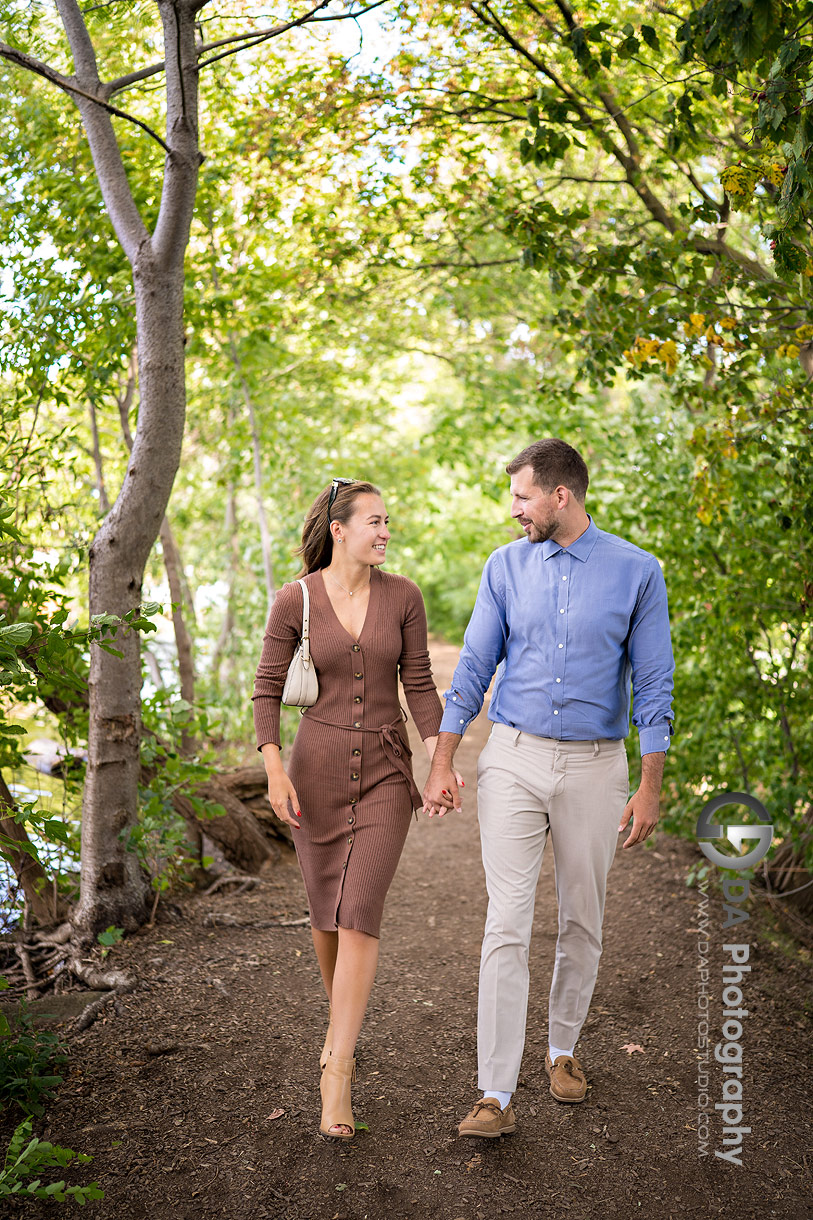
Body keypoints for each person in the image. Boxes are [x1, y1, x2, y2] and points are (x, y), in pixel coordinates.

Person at [422, 439, 675, 1138]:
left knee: (580, 916)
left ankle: (561, 1050)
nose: (514, 511)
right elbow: (473, 667)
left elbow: (654, 685)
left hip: (597, 766)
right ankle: (493, 1092)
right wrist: (442, 761)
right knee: (505, 922)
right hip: (513, 756)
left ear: (560, 495)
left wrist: (649, 785)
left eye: (522, 497)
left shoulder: (637, 573)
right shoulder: (504, 567)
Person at [252, 479, 452, 1141]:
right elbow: (268, 689)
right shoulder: (296, 598)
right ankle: (343, 1028)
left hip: (388, 774)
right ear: (339, 528)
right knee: (325, 916)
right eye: (373, 521)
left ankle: (335, 1066)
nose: (384, 531)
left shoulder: (404, 597)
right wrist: (273, 768)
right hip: (313, 773)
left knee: (359, 909)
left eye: (387, 521)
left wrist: (439, 759)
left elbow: (418, 680)